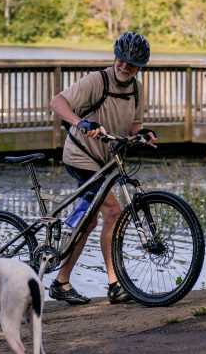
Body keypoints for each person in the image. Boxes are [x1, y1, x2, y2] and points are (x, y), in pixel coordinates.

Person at [47, 31, 157, 305]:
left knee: (93, 219)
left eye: (131, 64)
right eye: (120, 59)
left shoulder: (136, 88)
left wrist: (143, 133)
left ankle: (62, 281)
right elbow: (57, 102)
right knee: (113, 210)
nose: (123, 66)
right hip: (81, 154)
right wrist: (80, 123)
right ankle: (114, 283)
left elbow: (133, 124)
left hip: (106, 161)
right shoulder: (98, 80)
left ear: (140, 67)